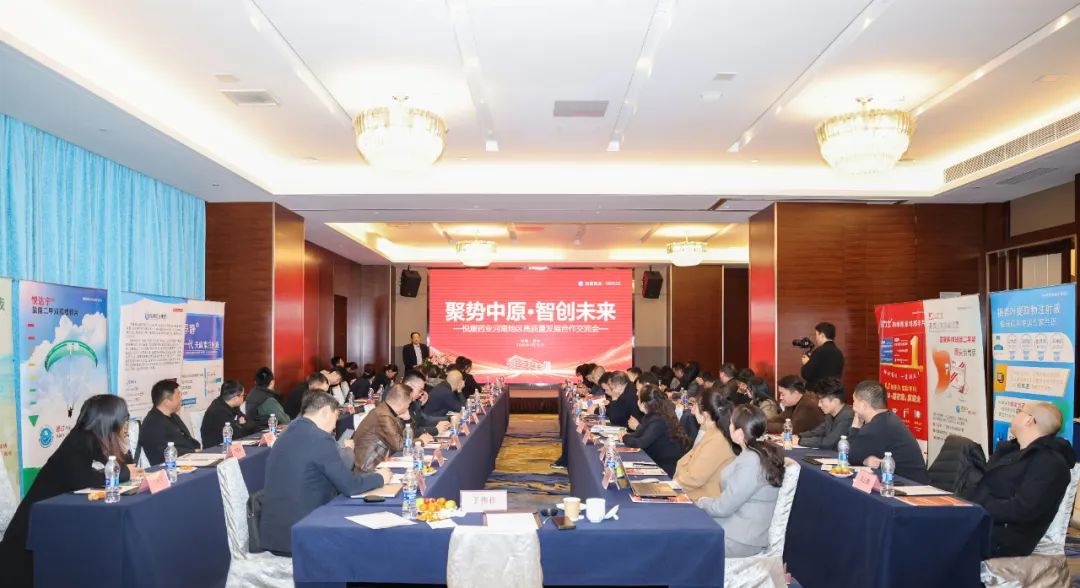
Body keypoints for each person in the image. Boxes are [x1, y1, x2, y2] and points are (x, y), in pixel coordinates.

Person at [0, 395, 142, 585]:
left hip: (54, 524)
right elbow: (81, 479)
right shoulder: (79, 440)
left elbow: (113, 466)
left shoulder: (95, 438)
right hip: (30, 537)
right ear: (109, 419)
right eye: (124, 417)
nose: (125, 423)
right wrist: (124, 473)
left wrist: (125, 468)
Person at [260, 392, 390, 555]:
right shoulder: (320, 438)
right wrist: (380, 477)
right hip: (303, 533)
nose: (335, 426)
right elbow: (349, 486)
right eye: (336, 418)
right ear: (325, 411)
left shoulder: (286, 433)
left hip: (276, 533)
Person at [968, 401, 1076, 557]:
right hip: (981, 520)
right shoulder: (1011, 451)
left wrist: (976, 506)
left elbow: (1023, 509)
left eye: (1019, 411)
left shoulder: (1050, 462)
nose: (1015, 415)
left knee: (939, 535)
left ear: (1029, 420)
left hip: (1003, 538)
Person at [696, 404, 785, 558]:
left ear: (739, 432)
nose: (728, 427)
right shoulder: (757, 453)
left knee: (685, 541)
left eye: (731, 424)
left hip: (739, 538)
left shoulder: (751, 461)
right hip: (739, 529)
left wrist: (702, 502)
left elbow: (723, 508)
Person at [847, 380, 928, 483]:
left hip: (909, 484)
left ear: (864, 405)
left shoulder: (876, 426)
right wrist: (865, 460)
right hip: (909, 480)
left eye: (854, 401)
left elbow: (850, 456)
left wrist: (855, 427)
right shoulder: (888, 419)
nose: (853, 406)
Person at [675, 387, 737, 500]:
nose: (692, 411)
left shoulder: (717, 440)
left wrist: (670, 486)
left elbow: (694, 478)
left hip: (701, 501)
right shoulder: (712, 433)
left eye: (694, 406)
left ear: (706, 414)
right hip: (694, 494)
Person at [619, 385, 691, 477]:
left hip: (665, 466)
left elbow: (641, 443)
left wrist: (625, 437)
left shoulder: (658, 420)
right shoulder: (651, 415)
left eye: (639, 399)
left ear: (644, 404)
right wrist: (626, 436)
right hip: (655, 459)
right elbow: (638, 434)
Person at [352, 384, 420, 472]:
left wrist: (408, 420)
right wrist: (420, 441)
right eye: (409, 403)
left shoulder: (387, 410)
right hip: (368, 467)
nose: (408, 407)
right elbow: (399, 445)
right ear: (401, 403)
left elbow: (405, 436)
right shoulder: (383, 415)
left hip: (379, 461)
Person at [140, 379, 201, 465]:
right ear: (166, 401)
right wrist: (192, 452)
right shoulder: (152, 424)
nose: (181, 399)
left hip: (189, 460)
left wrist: (195, 451)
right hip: (170, 466)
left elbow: (187, 439)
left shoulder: (173, 416)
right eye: (178, 396)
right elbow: (162, 452)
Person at [793, 377, 853, 450]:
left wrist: (800, 441)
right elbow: (817, 432)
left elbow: (829, 442)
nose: (819, 405)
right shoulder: (829, 415)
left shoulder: (848, 416)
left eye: (822, 401)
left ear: (835, 401)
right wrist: (798, 436)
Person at [201, 380, 258, 447]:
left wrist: (241, 425)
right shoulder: (218, 411)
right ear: (236, 398)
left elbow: (251, 424)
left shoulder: (233, 406)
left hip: (232, 444)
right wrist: (242, 425)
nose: (244, 397)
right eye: (243, 395)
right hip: (217, 448)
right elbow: (236, 434)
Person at [401, 369, 453, 438]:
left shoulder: (413, 402)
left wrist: (448, 419)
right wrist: (435, 430)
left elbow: (423, 420)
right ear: (409, 385)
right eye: (420, 390)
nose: (421, 394)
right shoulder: (400, 404)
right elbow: (411, 432)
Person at [800, 321, 844, 389]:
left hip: (817, 391)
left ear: (822, 335)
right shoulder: (839, 353)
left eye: (816, 335)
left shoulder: (819, 351)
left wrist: (806, 363)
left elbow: (806, 374)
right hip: (832, 391)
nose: (816, 338)